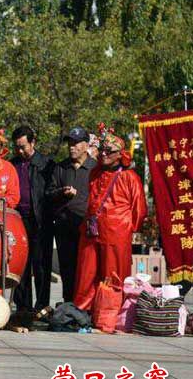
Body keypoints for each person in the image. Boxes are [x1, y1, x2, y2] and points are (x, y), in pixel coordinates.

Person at [74, 125, 147, 311]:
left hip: (116, 234)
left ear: (120, 154)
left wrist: (127, 230)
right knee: (87, 273)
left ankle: (111, 312)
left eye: (109, 151)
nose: (104, 154)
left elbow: (139, 209)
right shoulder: (95, 173)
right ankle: (84, 310)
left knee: (113, 275)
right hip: (91, 231)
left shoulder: (130, 177)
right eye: (102, 150)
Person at [46, 127, 96, 303]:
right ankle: (68, 303)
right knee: (67, 267)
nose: (71, 147)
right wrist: (62, 192)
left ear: (86, 145)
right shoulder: (61, 168)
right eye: (70, 143)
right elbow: (49, 193)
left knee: (86, 268)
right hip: (64, 226)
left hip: (86, 227)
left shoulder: (95, 168)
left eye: (76, 143)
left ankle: (85, 305)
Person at [10, 125, 55, 318]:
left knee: (41, 264)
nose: (20, 151)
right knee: (21, 264)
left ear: (33, 142)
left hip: (40, 220)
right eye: (17, 147)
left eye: (23, 146)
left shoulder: (46, 164)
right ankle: (23, 305)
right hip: (18, 220)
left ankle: (42, 306)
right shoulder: (12, 164)